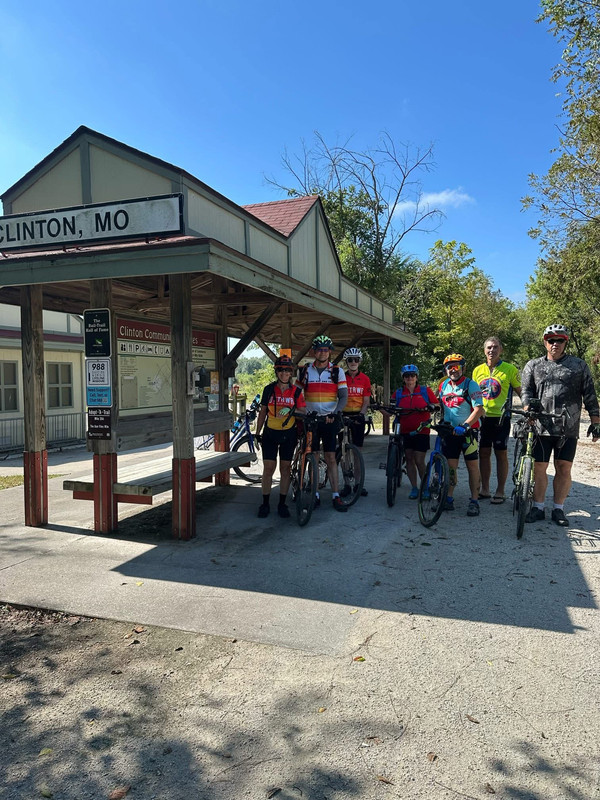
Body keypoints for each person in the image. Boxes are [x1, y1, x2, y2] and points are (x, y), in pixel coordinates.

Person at [521, 324, 600, 528]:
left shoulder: (578, 365)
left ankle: (558, 508)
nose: (555, 344)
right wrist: (528, 407)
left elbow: (590, 394)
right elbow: (526, 391)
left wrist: (595, 421)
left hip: (568, 426)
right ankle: (538, 507)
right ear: (544, 342)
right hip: (541, 425)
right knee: (540, 468)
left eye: (560, 340)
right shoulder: (533, 365)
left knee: (563, 468)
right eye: (551, 340)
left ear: (566, 342)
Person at [297, 335, 348, 512]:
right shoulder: (305, 371)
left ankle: (335, 495)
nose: (322, 352)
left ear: (330, 352)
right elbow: (296, 393)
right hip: (311, 420)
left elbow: (343, 397)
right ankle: (315, 493)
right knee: (314, 457)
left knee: (331, 458)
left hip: (329, 419)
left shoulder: (336, 371)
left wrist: (335, 413)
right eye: (319, 349)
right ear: (314, 351)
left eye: (326, 350)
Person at [254, 354, 306, 519]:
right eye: (281, 370)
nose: (284, 373)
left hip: (288, 434)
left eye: (287, 370)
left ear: (291, 373)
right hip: (270, 433)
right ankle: (265, 503)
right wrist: (257, 432)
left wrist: (292, 411)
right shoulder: (268, 389)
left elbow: (303, 411)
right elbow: (263, 412)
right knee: (268, 469)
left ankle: (282, 504)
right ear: (277, 372)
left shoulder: (297, 391)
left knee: (285, 469)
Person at [472, 337, 522, 504]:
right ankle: (485, 489)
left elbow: (520, 391)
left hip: (502, 418)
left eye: (495, 347)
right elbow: (473, 394)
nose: (491, 350)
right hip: (482, 418)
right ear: (484, 350)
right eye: (488, 348)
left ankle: (500, 491)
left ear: (501, 349)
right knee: (484, 453)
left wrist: (529, 409)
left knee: (501, 454)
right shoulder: (477, 370)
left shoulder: (509, 369)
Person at [438, 353, 485, 516]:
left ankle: (474, 501)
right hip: (450, 433)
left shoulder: (471, 385)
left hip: (468, 433)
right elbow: (441, 407)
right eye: (450, 367)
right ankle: (449, 498)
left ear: (463, 368)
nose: (453, 370)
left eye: (457, 366)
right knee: (451, 467)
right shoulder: (443, 386)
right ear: (445, 370)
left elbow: (479, 409)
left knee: (472, 467)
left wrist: (465, 425)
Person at [389, 364, 439, 499]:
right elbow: (391, 407)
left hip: (421, 430)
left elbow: (437, 405)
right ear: (403, 378)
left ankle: (425, 487)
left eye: (412, 375)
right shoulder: (399, 393)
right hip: (405, 431)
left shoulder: (425, 391)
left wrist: (430, 407)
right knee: (409, 459)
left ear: (416, 377)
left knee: (419, 460)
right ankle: (414, 487)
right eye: (407, 376)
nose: (409, 378)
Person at [341, 346, 371, 497]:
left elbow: (366, 400)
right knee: (344, 452)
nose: (353, 362)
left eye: (356, 360)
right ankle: (347, 484)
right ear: (346, 362)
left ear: (359, 362)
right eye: (350, 360)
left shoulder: (365, 379)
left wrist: (362, 414)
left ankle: (358, 484)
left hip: (358, 416)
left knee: (357, 451)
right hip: (343, 414)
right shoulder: (341, 377)